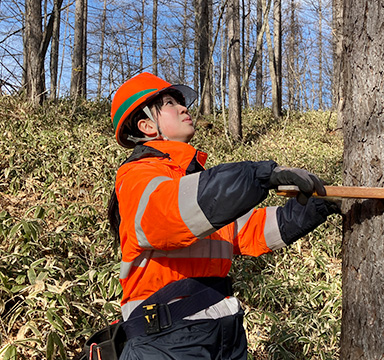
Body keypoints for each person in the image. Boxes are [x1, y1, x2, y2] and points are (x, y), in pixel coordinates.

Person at [107, 72, 339, 360]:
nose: (183, 108)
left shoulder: (197, 188)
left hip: (222, 334)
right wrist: (257, 176)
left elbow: (247, 230)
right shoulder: (137, 177)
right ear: (145, 125)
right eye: (169, 103)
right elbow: (169, 215)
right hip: (166, 340)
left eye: (182, 102)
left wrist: (317, 207)